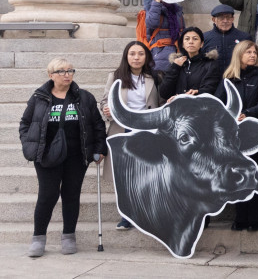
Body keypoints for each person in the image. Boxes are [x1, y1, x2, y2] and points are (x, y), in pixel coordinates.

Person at [20, 58, 107, 257]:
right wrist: (29, 144)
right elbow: (25, 123)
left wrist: (100, 148)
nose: (67, 75)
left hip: (76, 156)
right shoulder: (39, 97)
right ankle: (38, 237)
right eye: (61, 71)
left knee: (71, 195)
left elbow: (97, 125)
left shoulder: (84, 97)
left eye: (70, 71)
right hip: (46, 155)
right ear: (51, 75)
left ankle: (69, 236)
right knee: (47, 195)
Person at [100, 41, 162, 229]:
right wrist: (107, 109)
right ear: (126, 56)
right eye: (132, 54)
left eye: (141, 54)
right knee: (125, 175)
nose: (136, 57)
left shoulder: (155, 76)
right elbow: (105, 100)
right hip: (123, 128)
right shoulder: (115, 76)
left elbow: (160, 101)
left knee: (147, 173)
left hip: (147, 129)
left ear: (147, 57)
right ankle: (127, 215)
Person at [214, 41, 258, 232]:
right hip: (232, 135)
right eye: (248, 52)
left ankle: (254, 218)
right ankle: (240, 217)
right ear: (239, 55)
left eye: (254, 52)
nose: (253, 55)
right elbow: (218, 102)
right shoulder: (228, 78)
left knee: (254, 174)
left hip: (253, 132)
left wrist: (248, 113)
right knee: (236, 175)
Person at [160, 27, 221, 101]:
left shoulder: (210, 64)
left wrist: (197, 93)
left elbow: (210, 89)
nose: (191, 42)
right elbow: (164, 93)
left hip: (200, 105)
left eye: (195, 39)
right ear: (183, 44)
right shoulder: (176, 63)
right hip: (178, 106)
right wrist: (175, 67)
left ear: (201, 44)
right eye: (187, 39)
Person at [140, 0, 185, 68]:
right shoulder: (152, 7)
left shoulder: (176, 9)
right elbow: (152, 23)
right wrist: (156, 2)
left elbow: (183, 30)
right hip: (160, 51)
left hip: (177, 51)